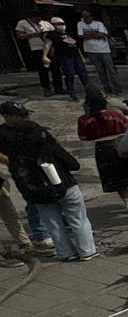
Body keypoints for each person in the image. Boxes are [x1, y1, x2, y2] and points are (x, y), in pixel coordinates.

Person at [0, 101, 97, 261]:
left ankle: (66, 253)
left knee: (52, 222)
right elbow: (72, 163)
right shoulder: (43, 140)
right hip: (61, 183)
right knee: (77, 218)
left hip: (33, 189)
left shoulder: (9, 146)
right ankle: (87, 251)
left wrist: (16, 163)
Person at [78, 91, 128, 214]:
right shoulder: (115, 114)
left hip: (102, 148)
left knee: (116, 176)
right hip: (120, 143)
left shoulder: (84, 120)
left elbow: (83, 137)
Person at [44, 17, 89, 101]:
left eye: (63, 24)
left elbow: (76, 46)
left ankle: (89, 90)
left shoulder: (69, 34)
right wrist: (45, 56)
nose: (62, 26)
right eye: (59, 24)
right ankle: (72, 92)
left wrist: (82, 57)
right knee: (69, 74)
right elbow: (47, 44)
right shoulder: (52, 34)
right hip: (65, 56)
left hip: (76, 56)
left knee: (83, 74)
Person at [78, 9, 120, 94]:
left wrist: (89, 34)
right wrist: (95, 33)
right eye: (83, 17)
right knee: (100, 71)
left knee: (111, 70)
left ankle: (117, 88)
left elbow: (102, 35)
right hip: (91, 50)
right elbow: (81, 35)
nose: (85, 19)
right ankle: (107, 87)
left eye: (87, 16)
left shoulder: (98, 23)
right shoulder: (80, 24)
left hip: (104, 50)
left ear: (92, 17)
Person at [15, 12, 55, 96]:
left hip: (49, 48)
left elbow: (54, 34)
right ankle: (46, 88)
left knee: (55, 68)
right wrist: (33, 34)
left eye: (39, 18)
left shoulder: (46, 24)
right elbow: (19, 35)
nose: (38, 20)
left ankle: (58, 86)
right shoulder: (23, 23)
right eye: (36, 19)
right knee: (43, 70)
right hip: (37, 48)